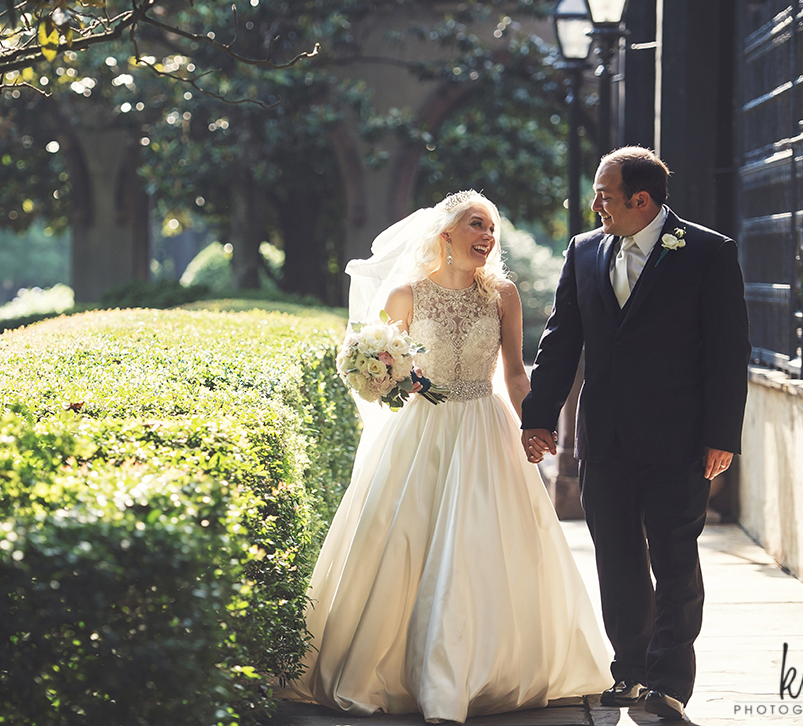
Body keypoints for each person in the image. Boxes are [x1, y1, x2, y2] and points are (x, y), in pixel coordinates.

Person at [288, 190, 611, 723]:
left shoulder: (502, 295)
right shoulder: (405, 294)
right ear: (446, 235)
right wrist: (392, 381)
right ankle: (405, 674)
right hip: (422, 432)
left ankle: (469, 671)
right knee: (409, 542)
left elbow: (513, 371)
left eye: (492, 229)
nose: (487, 236)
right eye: (476, 226)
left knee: (481, 546)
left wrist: (533, 425)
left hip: (486, 427)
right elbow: (387, 374)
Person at [520, 147, 750, 723]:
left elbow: (728, 351)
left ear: (639, 199)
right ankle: (631, 670)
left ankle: (670, 680)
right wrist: (539, 417)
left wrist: (722, 434)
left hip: (681, 440)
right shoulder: (583, 250)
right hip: (608, 440)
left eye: (604, 193)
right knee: (617, 557)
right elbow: (560, 341)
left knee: (674, 558)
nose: (595, 203)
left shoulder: (706, 252)